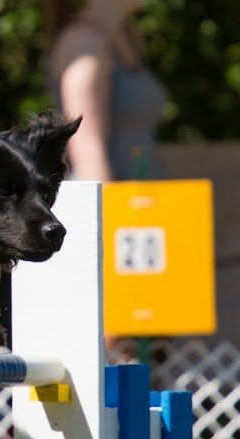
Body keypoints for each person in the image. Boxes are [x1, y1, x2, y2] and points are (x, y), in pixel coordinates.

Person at [44, 0, 167, 360]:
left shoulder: (122, 38)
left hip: (142, 215)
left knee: (148, 346)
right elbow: (87, 149)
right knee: (115, 348)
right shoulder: (84, 43)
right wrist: (114, 233)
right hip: (116, 220)